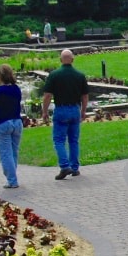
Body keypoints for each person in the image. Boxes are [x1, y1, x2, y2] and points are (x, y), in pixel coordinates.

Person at [41, 49, 89, 179]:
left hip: (61, 109)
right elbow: (85, 96)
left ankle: (64, 166)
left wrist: (44, 111)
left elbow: (47, 96)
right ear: (72, 60)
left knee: (59, 140)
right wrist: (83, 111)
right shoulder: (80, 75)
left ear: (61, 60)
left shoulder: (54, 75)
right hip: (75, 109)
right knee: (74, 140)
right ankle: (74, 168)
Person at [0, 64, 23, 189]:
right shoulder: (16, 89)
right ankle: (12, 176)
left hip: (2, 123)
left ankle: (12, 180)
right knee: (13, 152)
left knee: (5, 153)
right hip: (17, 122)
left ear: (0, 76)